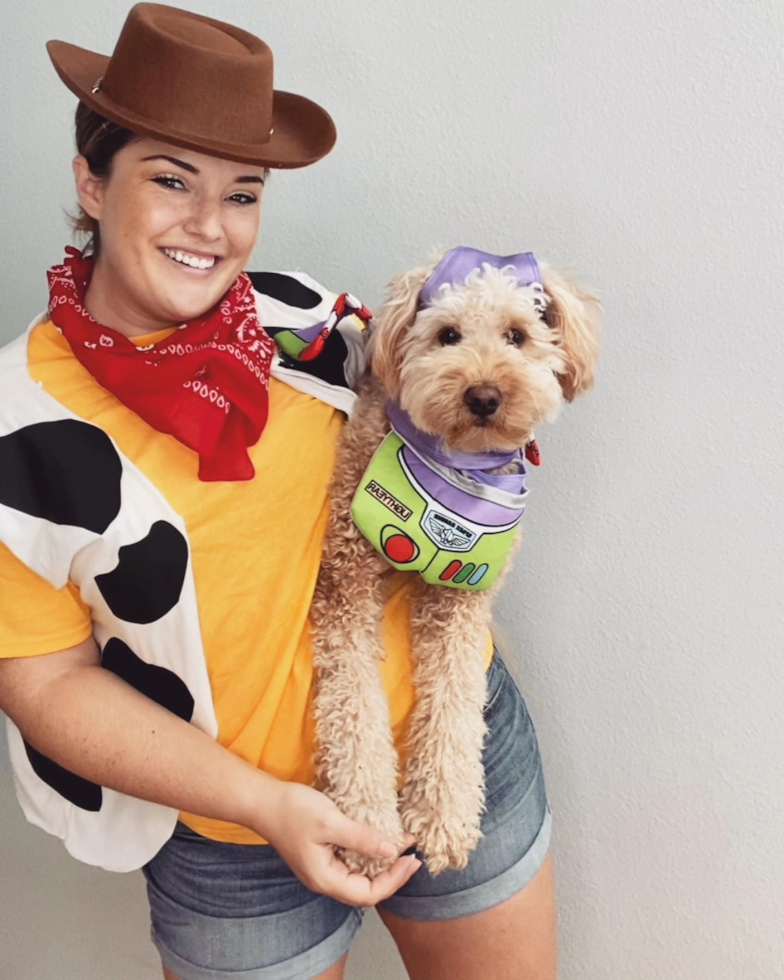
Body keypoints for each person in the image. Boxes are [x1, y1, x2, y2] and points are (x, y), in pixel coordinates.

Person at [0, 5, 556, 979]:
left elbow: (451, 408)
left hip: (455, 753)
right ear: (92, 180)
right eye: (171, 180)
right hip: (234, 846)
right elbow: (45, 683)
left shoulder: (302, 320)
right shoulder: (20, 426)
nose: (211, 227)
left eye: (241, 192)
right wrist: (268, 806)